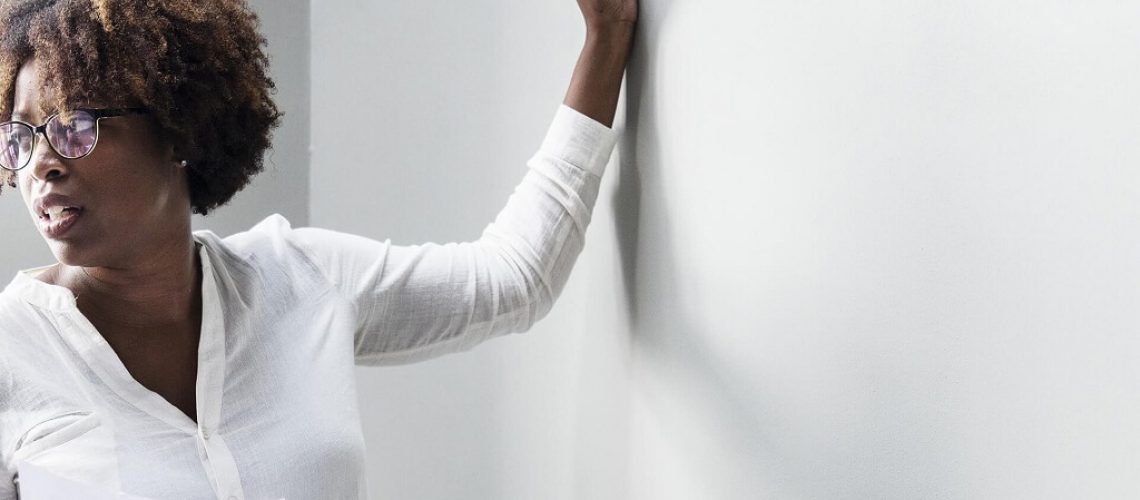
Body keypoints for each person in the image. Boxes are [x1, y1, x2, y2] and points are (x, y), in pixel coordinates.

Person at [0, 0, 637, 498]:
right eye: (20, 137)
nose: (41, 166)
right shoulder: (12, 355)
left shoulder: (299, 278)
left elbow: (513, 280)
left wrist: (606, 36)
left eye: (76, 125)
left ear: (175, 129)